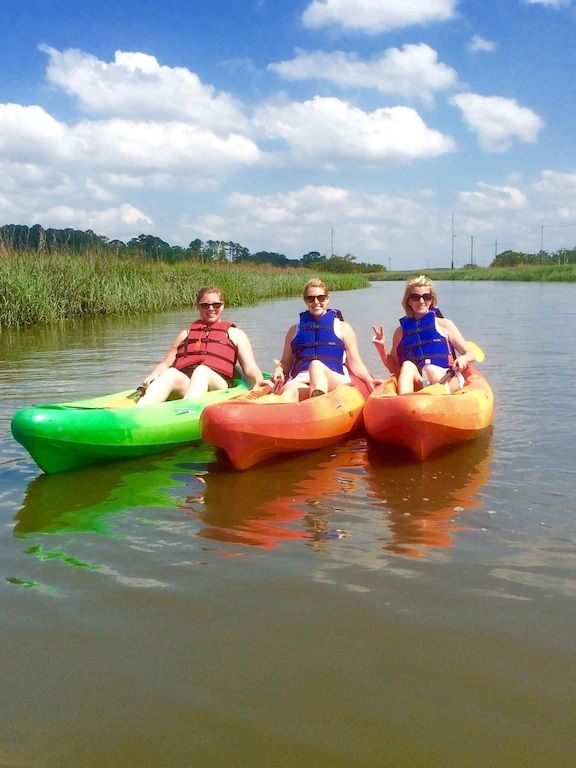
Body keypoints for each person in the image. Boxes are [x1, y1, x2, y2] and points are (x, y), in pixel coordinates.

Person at [136, 285, 265, 406]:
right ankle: (140, 411)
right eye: (205, 305)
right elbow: (165, 364)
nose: (211, 309)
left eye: (216, 305)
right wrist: (153, 375)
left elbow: (250, 368)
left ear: (222, 306)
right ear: (198, 307)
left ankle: (186, 411)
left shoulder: (235, 334)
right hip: (188, 384)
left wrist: (259, 380)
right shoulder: (184, 335)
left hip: (217, 385)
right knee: (171, 373)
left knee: (201, 371)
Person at [272, 278, 376, 402]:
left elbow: (355, 363)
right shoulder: (294, 330)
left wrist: (369, 380)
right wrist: (279, 370)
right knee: (289, 393)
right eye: (311, 299)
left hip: (334, 379)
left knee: (315, 366)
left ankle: (317, 407)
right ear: (306, 301)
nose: (316, 302)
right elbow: (285, 363)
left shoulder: (343, 328)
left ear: (327, 298)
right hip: (301, 380)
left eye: (320, 298)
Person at [371, 275, 476, 394]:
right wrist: (381, 348)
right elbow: (394, 368)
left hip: (447, 378)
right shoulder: (400, 332)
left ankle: (440, 403)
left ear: (431, 300)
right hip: (421, 382)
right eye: (416, 297)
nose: (421, 301)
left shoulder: (445, 325)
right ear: (409, 301)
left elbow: (471, 353)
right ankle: (405, 404)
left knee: (431, 369)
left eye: (426, 297)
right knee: (407, 365)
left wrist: (464, 358)